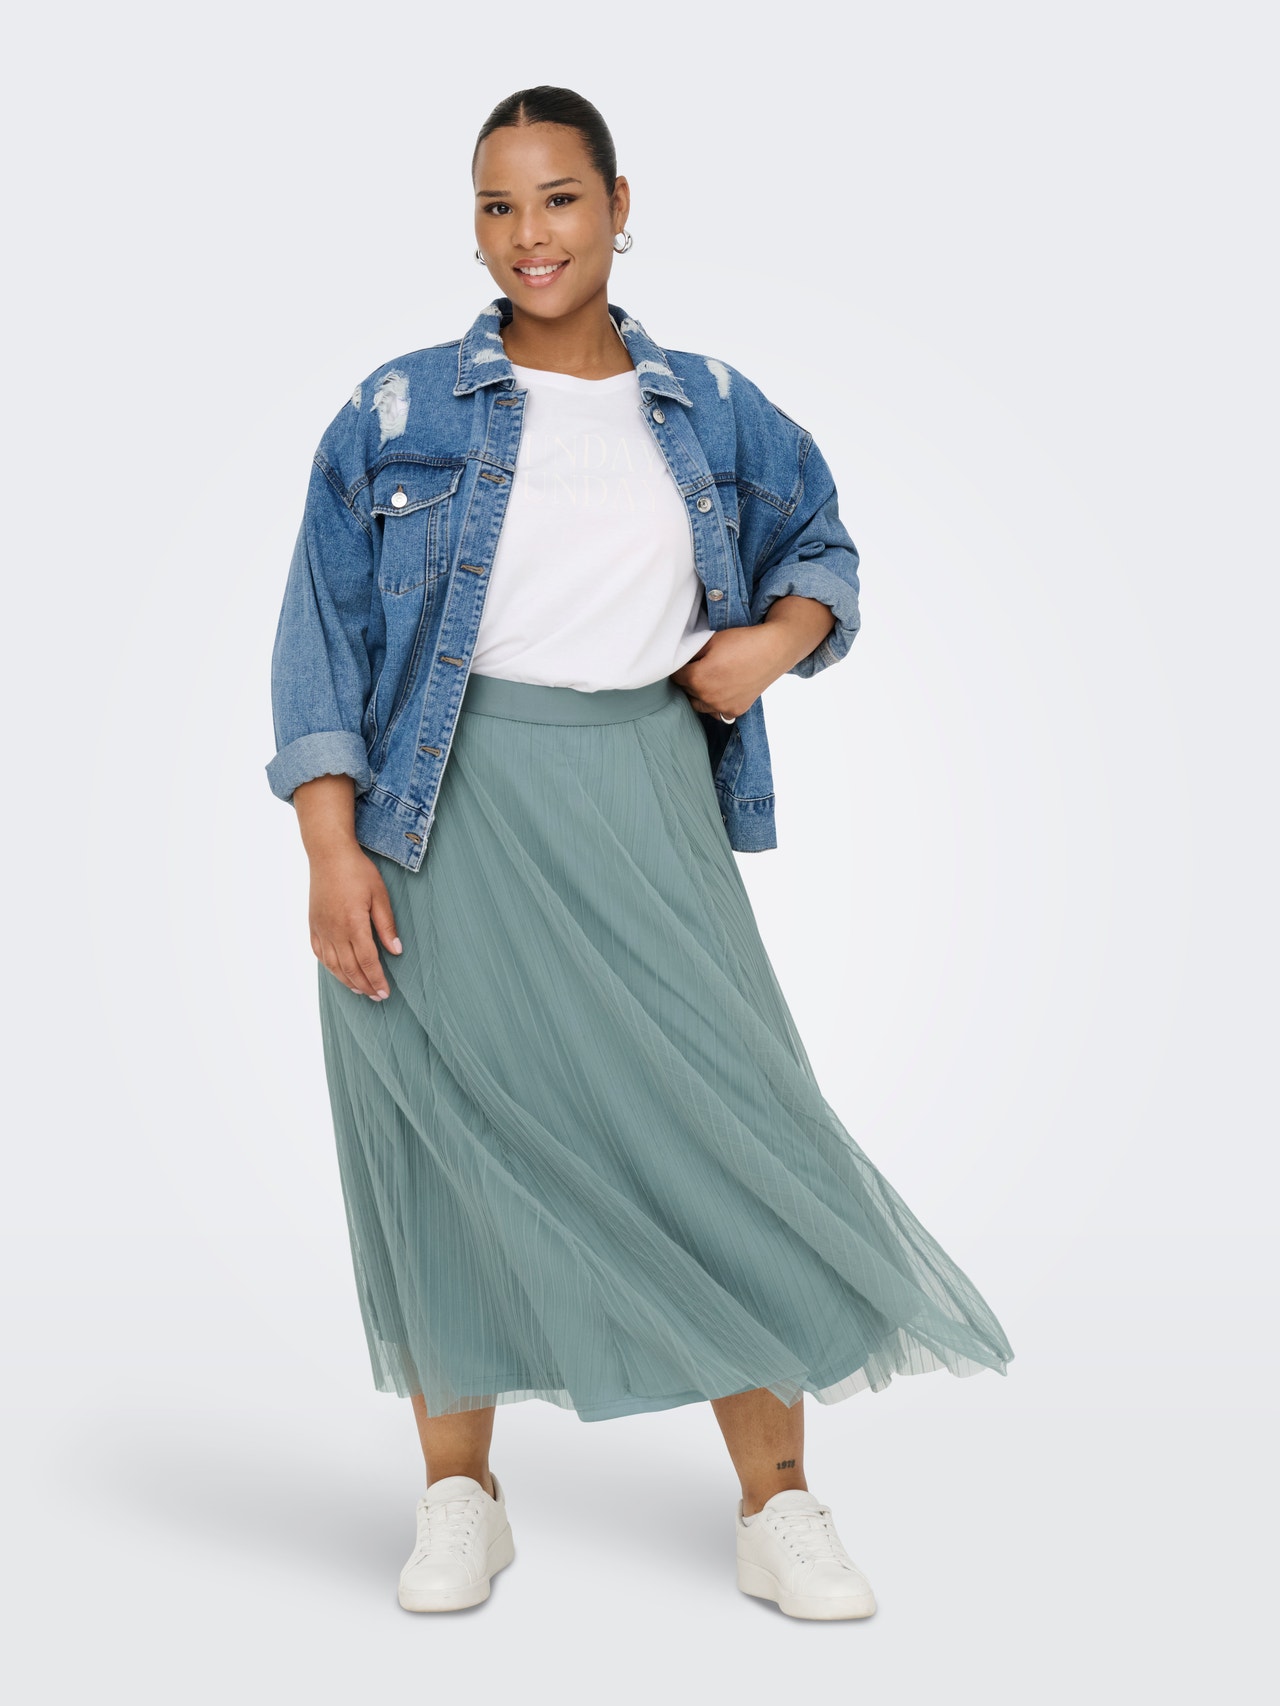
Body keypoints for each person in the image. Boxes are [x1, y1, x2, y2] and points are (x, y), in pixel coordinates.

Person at [265, 84, 1014, 1622]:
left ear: (618, 204)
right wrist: (330, 847)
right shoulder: (397, 411)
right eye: (497, 205)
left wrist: (771, 646)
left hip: (644, 798)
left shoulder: (714, 406)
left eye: (558, 198)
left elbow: (823, 548)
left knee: (730, 1133)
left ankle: (777, 1501)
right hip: (440, 817)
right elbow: (319, 642)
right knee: (447, 1146)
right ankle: (461, 1492)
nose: (528, 235)